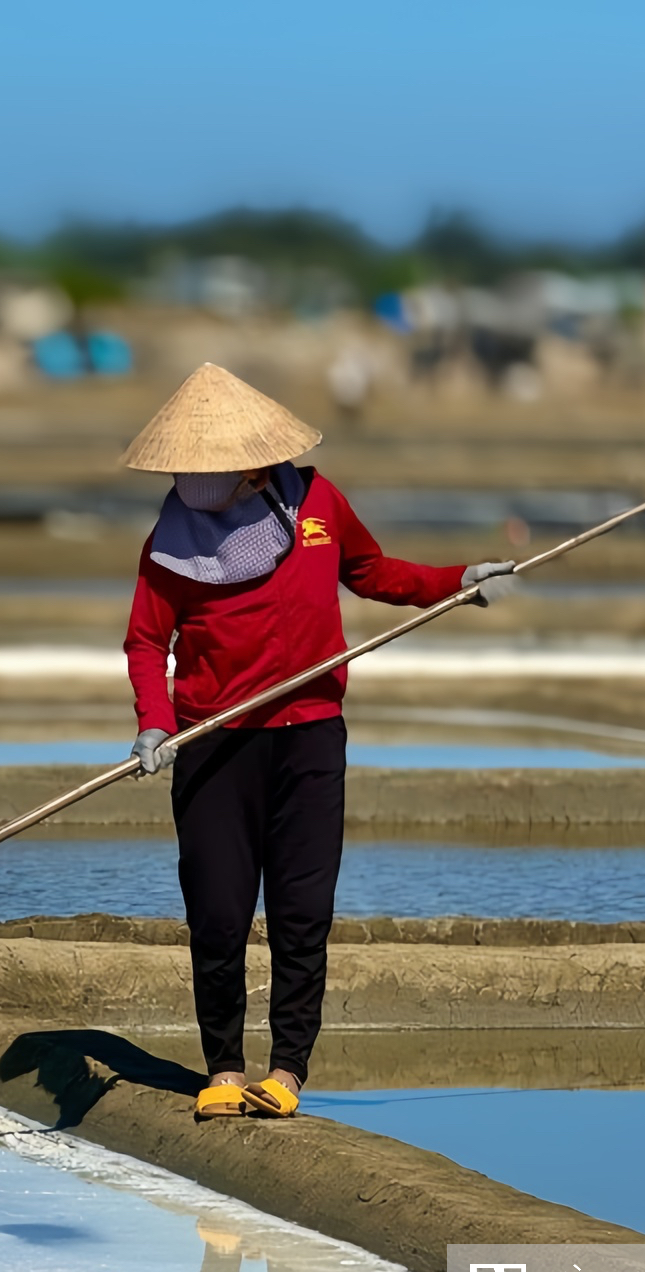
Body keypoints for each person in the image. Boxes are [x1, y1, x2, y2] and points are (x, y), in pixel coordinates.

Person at [121, 364, 513, 1122]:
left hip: (308, 740)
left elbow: (372, 572)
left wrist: (456, 580)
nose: (195, 480)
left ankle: (286, 1070)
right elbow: (146, 641)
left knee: (302, 911)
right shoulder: (171, 543)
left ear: (253, 465)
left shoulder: (318, 504)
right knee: (219, 913)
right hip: (215, 742)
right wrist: (154, 722)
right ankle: (223, 1067)